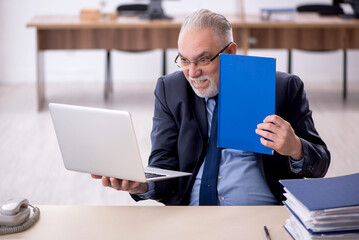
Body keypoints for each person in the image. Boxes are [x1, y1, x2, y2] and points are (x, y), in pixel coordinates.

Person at [92, 9, 330, 205]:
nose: (192, 72)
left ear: (231, 52)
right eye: (184, 60)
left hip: (262, 213)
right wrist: (143, 184)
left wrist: (296, 148)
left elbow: (320, 164)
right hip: (192, 216)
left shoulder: (283, 88)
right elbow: (163, 165)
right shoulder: (170, 89)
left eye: (203, 59)